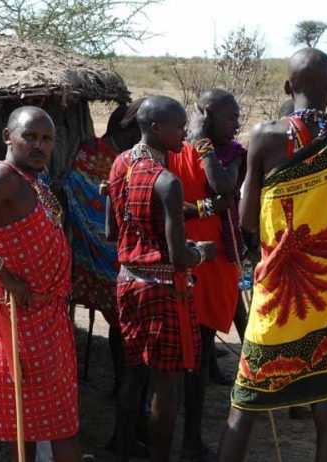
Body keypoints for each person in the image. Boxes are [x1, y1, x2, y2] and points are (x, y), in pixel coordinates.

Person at [218, 49, 327, 462]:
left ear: (287, 87)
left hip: (276, 298)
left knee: (245, 403)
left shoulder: (265, 136)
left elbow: (248, 221)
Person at [0, 106, 82, 462]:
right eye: (30, 137)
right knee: (31, 422)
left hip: (48, 317)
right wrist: (4, 276)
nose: (40, 146)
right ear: (8, 137)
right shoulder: (5, 176)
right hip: (21, 318)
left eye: (47, 139)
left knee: (57, 419)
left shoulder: (33, 180)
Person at [105, 95, 218, 462]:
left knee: (134, 375)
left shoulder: (120, 164)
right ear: (156, 128)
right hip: (163, 292)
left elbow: (111, 231)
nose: (184, 132)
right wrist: (203, 251)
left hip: (127, 283)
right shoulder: (167, 181)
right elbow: (179, 258)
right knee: (166, 385)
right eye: (179, 126)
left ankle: (123, 452)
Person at [167, 89, 241, 460]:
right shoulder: (173, 148)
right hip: (180, 255)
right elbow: (172, 201)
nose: (237, 124)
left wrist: (204, 144)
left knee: (200, 346)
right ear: (208, 113)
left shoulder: (231, 153)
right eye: (231, 117)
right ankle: (187, 440)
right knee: (184, 352)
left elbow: (225, 188)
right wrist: (203, 208)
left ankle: (191, 437)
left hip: (213, 261)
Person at [60, 99, 143, 394]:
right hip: (94, 249)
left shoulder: (129, 158)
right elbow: (77, 194)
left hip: (116, 246)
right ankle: (125, 385)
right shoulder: (92, 155)